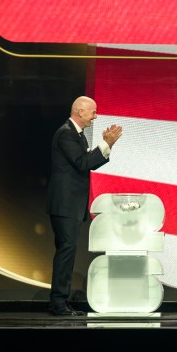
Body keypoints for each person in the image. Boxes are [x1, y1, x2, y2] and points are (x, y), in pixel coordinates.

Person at [46, 96, 123, 316]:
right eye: (93, 112)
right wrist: (106, 143)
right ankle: (58, 304)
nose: (96, 116)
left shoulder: (75, 134)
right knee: (66, 251)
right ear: (80, 112)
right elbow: (82, 163)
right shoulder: (66, 134)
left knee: (68, 251)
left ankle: (60, 302)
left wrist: (105, 146)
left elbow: (86, 161)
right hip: (64, 204)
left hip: (70, 205)